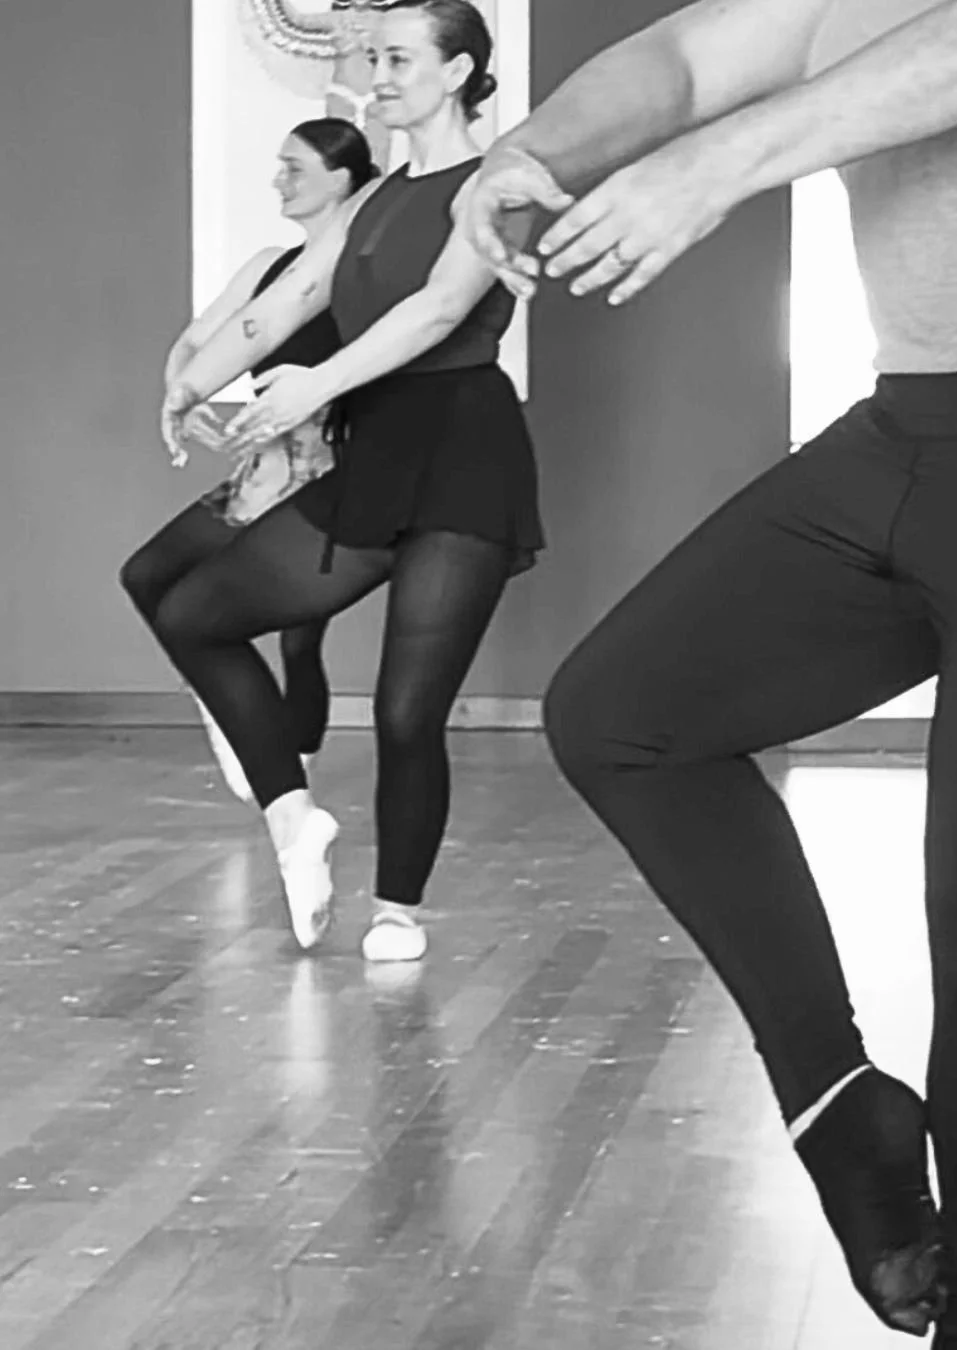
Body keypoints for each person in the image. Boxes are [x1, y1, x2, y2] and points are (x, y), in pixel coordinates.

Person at [462, 2, 957, 1347]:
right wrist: (531, 152)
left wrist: (718, 164)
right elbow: (679, 60)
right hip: (915, 428)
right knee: (623, 715)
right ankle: (836, 1104)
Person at [136, 0, 541, 964]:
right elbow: (289, 300)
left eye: (399, 59)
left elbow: (440, 309)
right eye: (375, 59)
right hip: (378, 451)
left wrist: (315, 385)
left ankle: (397, 909)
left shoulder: (498, 181)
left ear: (458, 71)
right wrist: (191, 379)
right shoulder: (376, 197)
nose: (379, 76)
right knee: (193, 613)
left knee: (407, 709)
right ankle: (293, 816)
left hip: (465, 453)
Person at [122, 118, 380, 803]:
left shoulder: (366, 271)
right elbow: (195, 341)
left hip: (327, 478)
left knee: (299, 643)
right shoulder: (269, 265)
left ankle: (292, 775)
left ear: (341, 179)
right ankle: (225, 706)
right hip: (260, 476)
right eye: (279, 166)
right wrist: (185, 389)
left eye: (295, 168)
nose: (279, 180)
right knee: (147, 575)